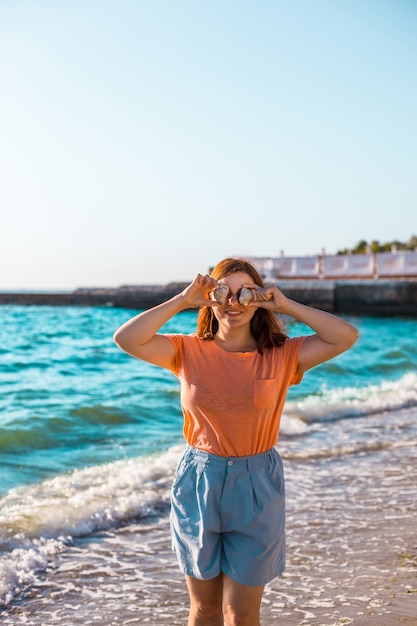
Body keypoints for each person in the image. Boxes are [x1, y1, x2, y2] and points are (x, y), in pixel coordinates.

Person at [113, 257, 359, 626]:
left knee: (241, 615)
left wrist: (285, 304)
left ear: (258, 298)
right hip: (199, 481)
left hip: (257, 485)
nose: (233, 302)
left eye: (244, 293)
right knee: (205, 610)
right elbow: (126, 338)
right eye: (222, 292)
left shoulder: (283, 355)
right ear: (208, 298)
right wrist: (182, 299)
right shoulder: (187, 350)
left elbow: (346, 336)